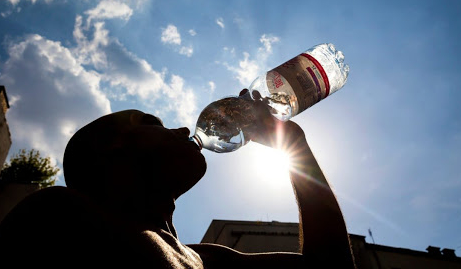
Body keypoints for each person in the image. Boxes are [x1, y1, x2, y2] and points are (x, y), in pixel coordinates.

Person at [0, 90, 356, 268]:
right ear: (111, 150)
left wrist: (295, 147)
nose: (184, 128)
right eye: (153, 123)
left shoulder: (208, 260)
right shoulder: (57, 216)